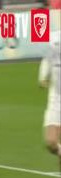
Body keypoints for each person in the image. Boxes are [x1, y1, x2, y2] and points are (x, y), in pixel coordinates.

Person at [38, 30, 61, 159]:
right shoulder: (54, 38)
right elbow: (46, 59)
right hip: (56, 99)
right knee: (51, 143)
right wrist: (43, 77)